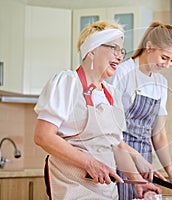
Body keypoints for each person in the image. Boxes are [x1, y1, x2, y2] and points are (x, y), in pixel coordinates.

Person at [33, 20, 163, 200]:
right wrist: (89, 163)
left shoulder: (112, 94)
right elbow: (43, 136)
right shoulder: (67, 82)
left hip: (106, 191)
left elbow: (117, 145)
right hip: (72, 188)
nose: (119, 56)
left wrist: (138, 182)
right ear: (92, 50)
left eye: (121, 51)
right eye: (113, 48)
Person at [110, 21, 172, 199]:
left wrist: (171, 172)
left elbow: (158, 134)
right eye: (164, 58)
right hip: (117, 159)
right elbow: (111, 129)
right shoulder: (121, 73)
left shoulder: (161, 83)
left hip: (146, 164)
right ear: (150, 46)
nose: (167, 65)